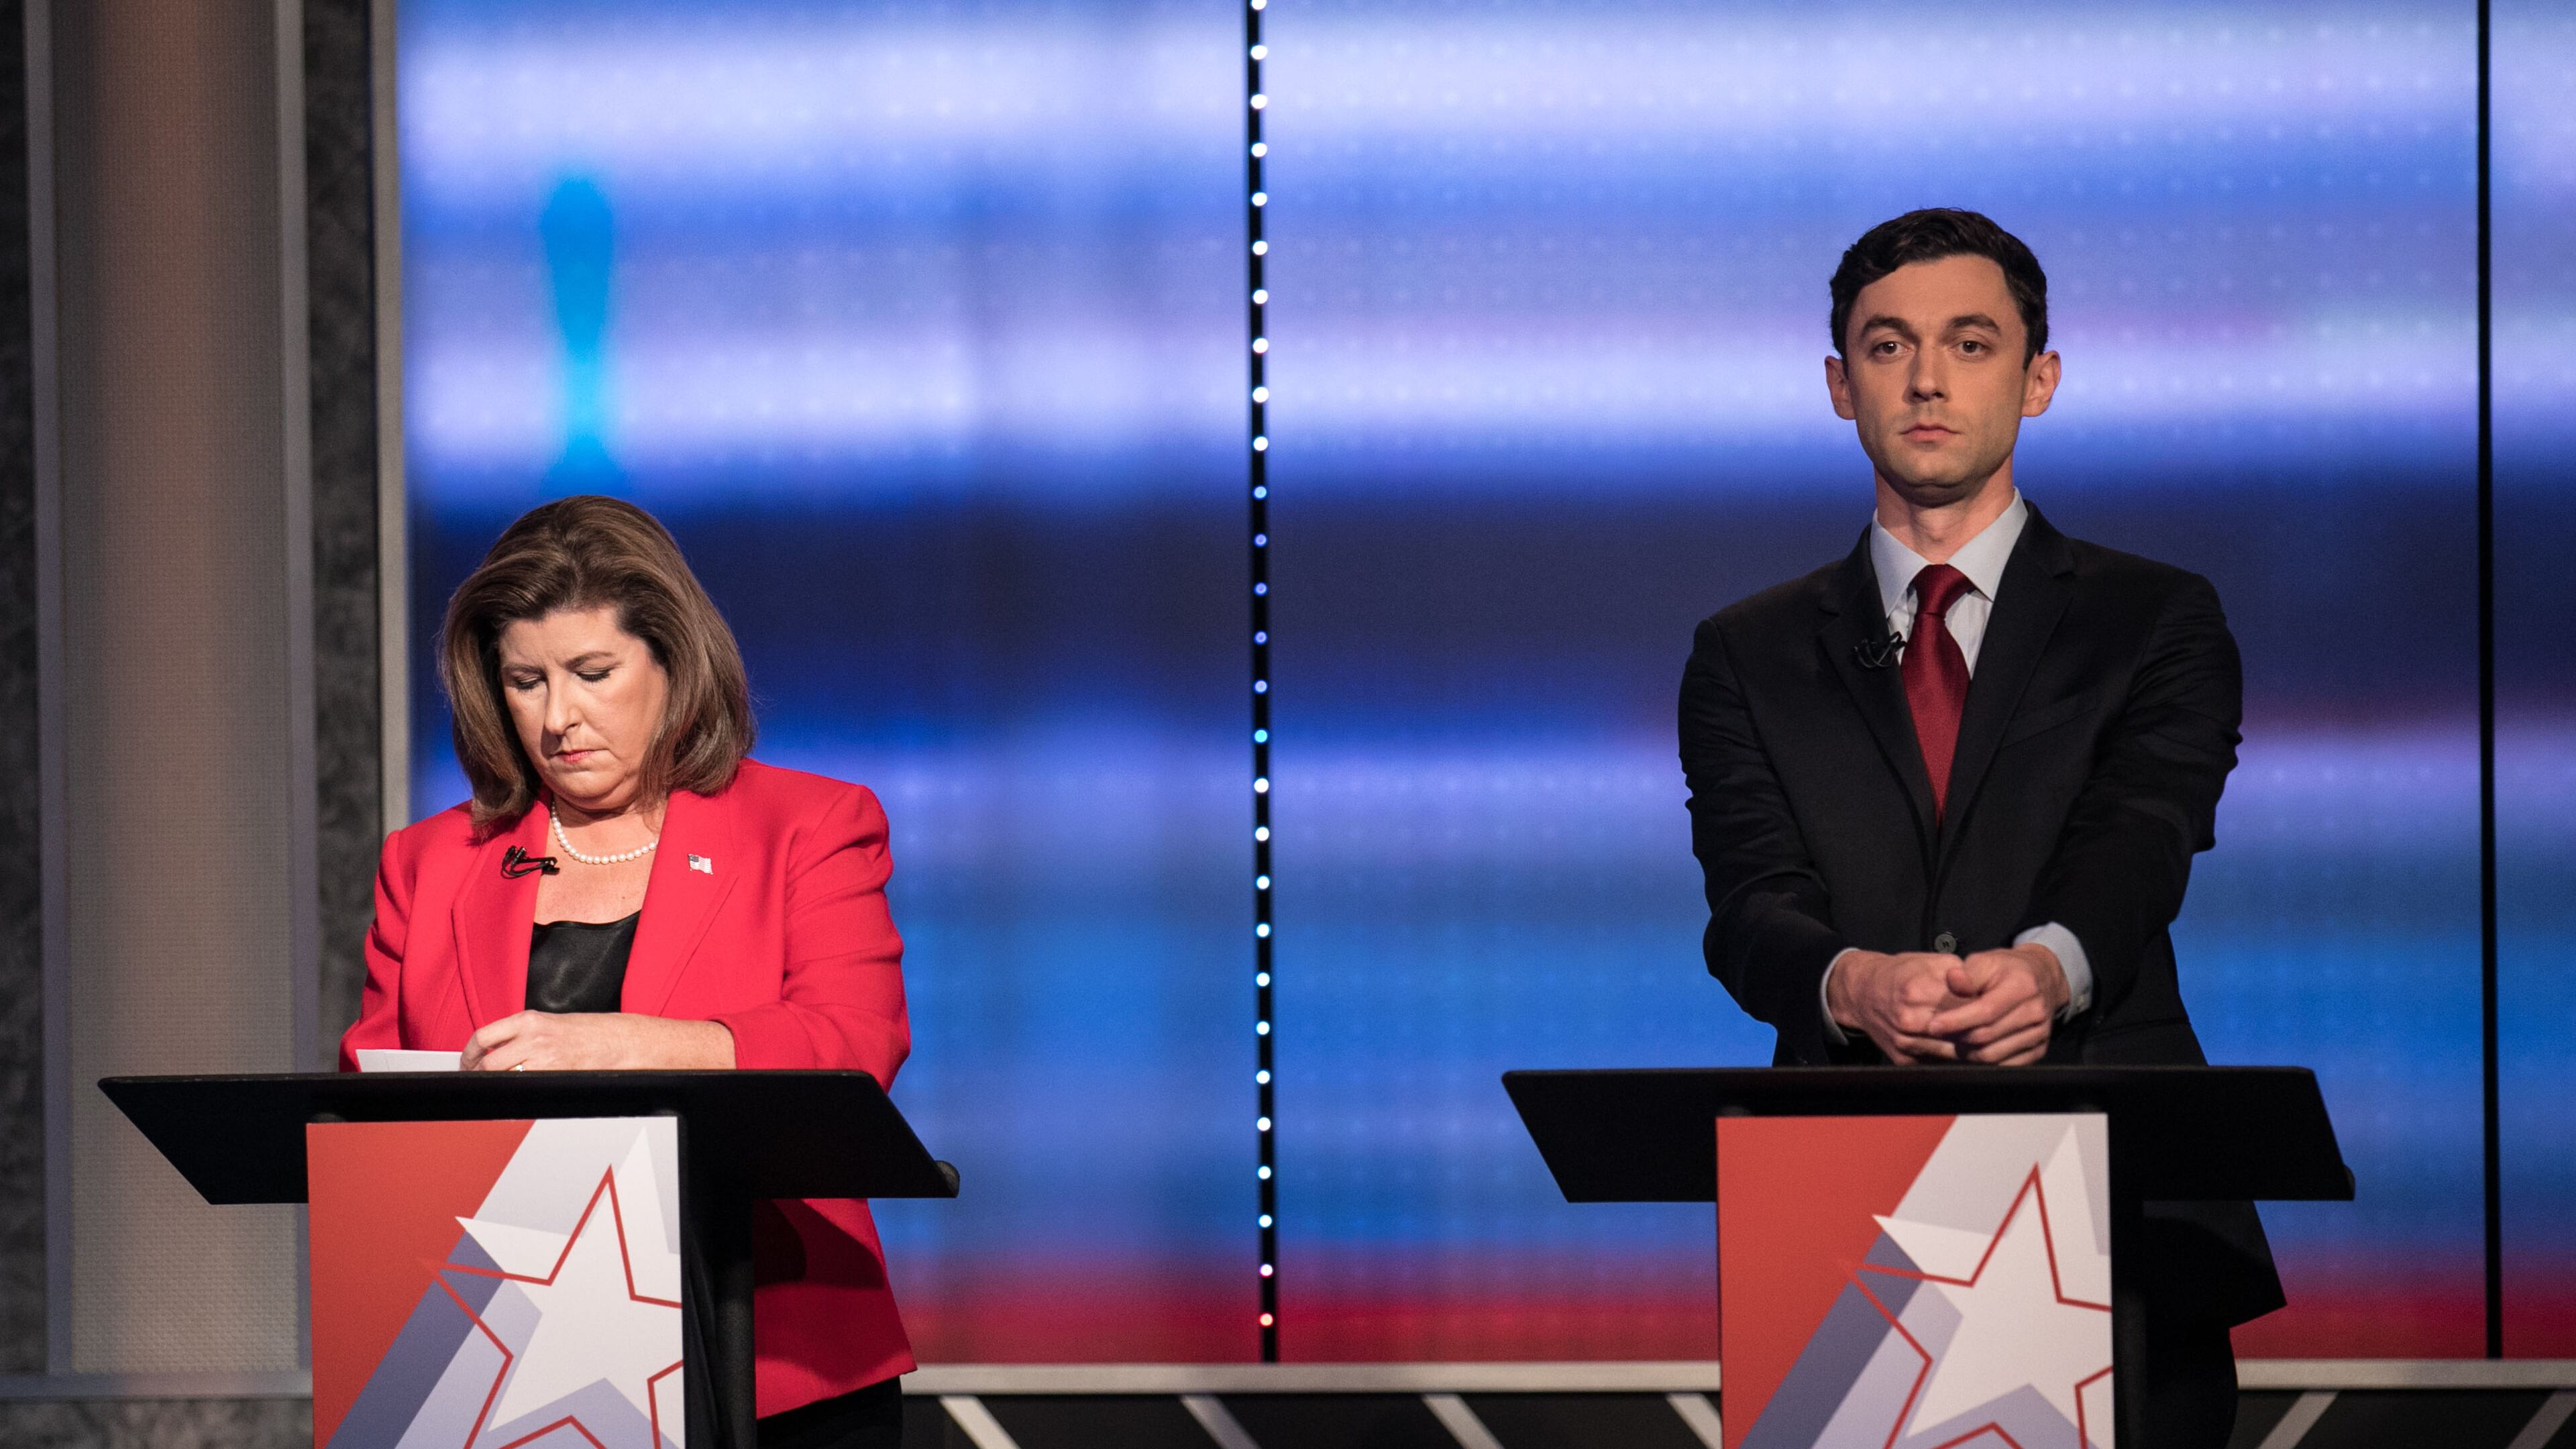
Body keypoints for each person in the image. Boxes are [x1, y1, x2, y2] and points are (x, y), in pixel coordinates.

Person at [1677, 209, 2277, 1447]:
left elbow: (2148, 835)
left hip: (2115, 1198)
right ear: (1842, 388)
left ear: (2038, 377)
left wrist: (2049, 967)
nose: (1931, 379)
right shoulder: (1747, 651)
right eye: (1889, 348)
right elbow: (1748, 905)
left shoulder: (2154, 618)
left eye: (1970, 342)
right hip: (1846, 1213)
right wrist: (1852, 984)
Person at [342, 495, 913, 1449]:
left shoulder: (809, 827)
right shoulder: (428, 862)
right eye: (525, 681)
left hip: (767, 1357)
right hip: (496, 1363)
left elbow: (854, 1047)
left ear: (672, 665)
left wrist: (616, 1047)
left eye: (592, 672)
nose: (559, 717)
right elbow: (371, 1104)